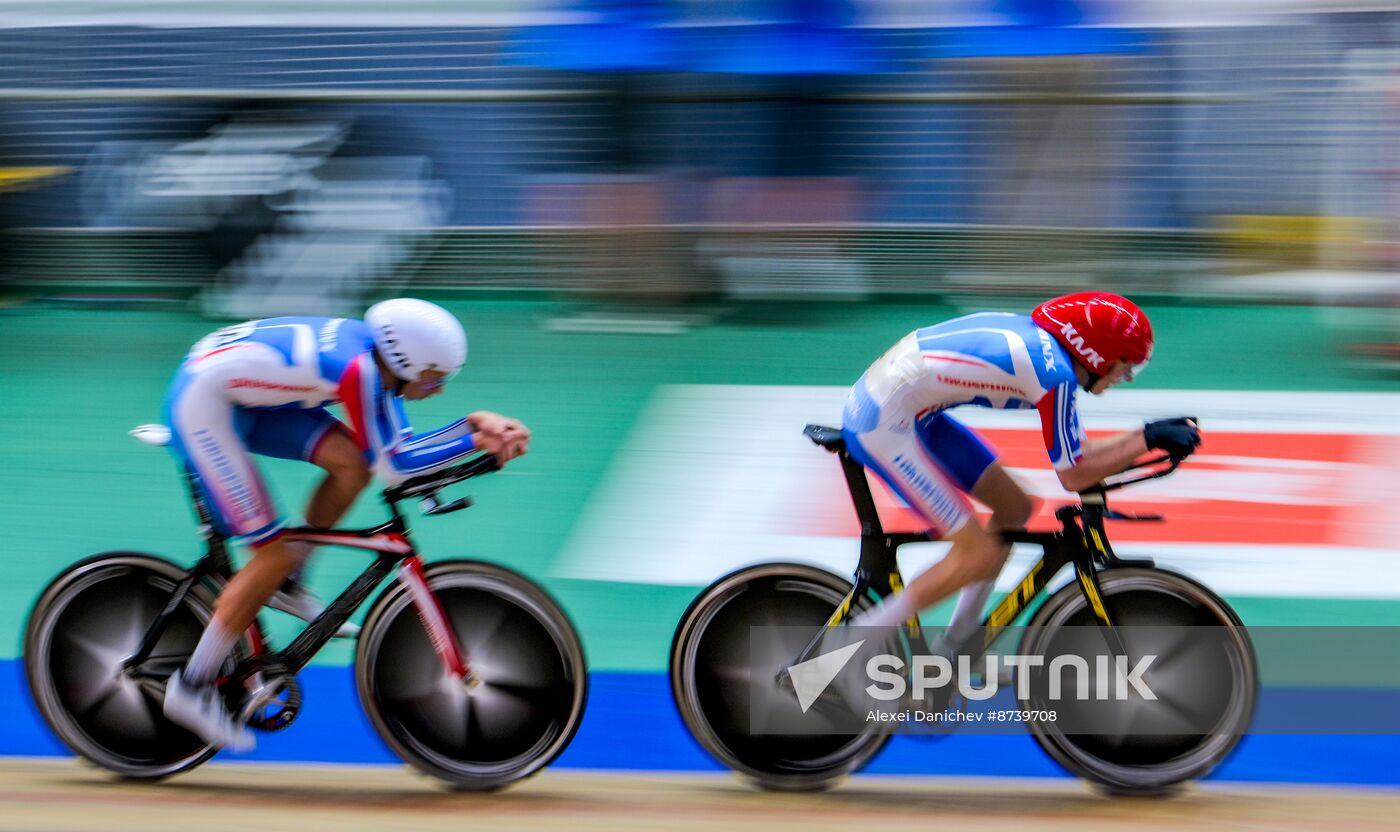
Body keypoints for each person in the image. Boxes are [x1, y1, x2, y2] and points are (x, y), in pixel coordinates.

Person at [160, 299, 530, 751]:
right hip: (205, 407)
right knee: (270, 553)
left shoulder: (377, 362)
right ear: (406, 362)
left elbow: (394, 447)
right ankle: (191, 686)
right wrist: (475, 435)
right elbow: (397, 466)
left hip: (240, 393)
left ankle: (288, 583)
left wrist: (476, 426)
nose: (439, 389)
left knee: (353, 466)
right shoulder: (361, 370)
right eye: (434, 378)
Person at [841, 292, 1200, 651]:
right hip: (883, 423)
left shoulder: (1052, 355)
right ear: (1097, 355)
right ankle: (852, 646)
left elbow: (1079, 454)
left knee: (1015, 508)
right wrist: (1147, 437)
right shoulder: (1053, 374)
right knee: (977, 555)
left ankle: (957, 645)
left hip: (911, 412)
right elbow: (1074, 474)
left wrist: (1148, 434)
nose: (1128, 378)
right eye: (1126, 367)